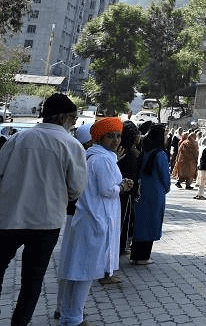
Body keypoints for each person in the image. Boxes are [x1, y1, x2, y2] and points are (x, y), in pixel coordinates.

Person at [0, 93, 87, 326]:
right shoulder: (71, 146)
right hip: (46, 223)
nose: (73, 124)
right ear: (63, 118)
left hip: (8, 220)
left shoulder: (18, 140)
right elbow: (76, 189)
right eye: (73, 119)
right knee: (32, 281)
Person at [55, 118, 132, 326]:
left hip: (91, 219)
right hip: (95, 221)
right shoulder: (102, 159)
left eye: (118, 136)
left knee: (78, 271)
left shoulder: (99, 157)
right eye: (111, 136)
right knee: (84, 273)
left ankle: (69, 315)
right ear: (99, 138)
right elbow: (108, 190)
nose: (116, 140)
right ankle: (72, 319)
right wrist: (122, 187)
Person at [131, 124, 170, 266]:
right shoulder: (160, 154)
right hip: (155, 193)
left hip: (143, 192)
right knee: (151, 223)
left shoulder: (144, 152)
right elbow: (165, 176)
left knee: (141, 223)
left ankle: (135, 255)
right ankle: (144, 257)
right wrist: (167, 188)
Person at [117, 121, 142, 255]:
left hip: (122, 189)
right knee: (125, 219)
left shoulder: (121, 150)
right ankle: (121, 246)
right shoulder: (130, 153)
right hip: (126, 191)